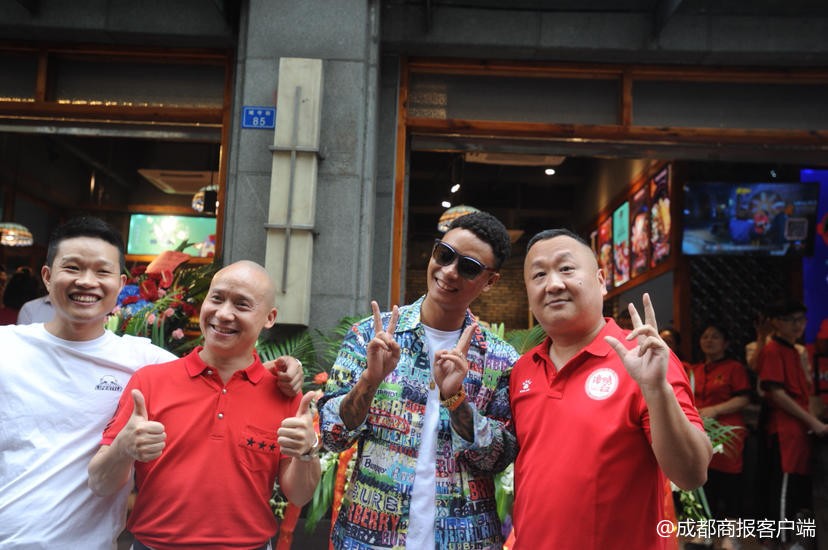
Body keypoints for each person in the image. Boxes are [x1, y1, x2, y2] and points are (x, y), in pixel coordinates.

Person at [0, 218, 303, 550]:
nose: (86, 281)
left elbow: (217, 370)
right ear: (47, 276)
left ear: (120, 283)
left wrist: (274, 371)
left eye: (101, 271)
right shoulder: (6, 347)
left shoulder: (141, 359)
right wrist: (124, 446)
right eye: (73, 267)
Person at [318, 211, 519, 549]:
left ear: (490, 281)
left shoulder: (500, 360)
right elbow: (332, 435)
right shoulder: (371, 336)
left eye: (469, 267)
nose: (449, 271)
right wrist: (370, 381)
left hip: (465, 540)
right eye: (444, 254)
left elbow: (497, 459)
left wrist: (455, 399)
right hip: (369, 538)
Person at [88, 260, 320, 549]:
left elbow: (299, 495)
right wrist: (123, 448)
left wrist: (307, 452)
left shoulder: (284, 393)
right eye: (217, 298)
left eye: (242, 304)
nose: (223, 314)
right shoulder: (150, 382)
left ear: (269, 317)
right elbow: (100, 483)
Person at [510, 228, 711, 550]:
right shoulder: (523, 369)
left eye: (566, 268)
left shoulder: (643, 357)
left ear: (601, 280)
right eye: (538, 275)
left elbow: (692, 474)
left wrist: (656, 390)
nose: (553, 284)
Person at [756, 299, 827, 543]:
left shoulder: (795, 351)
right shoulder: (773, 350)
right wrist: (814, 423)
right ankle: (782, 542)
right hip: (785, 432)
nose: (798, 325)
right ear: (776, 323)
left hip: (800, 431)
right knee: (783, 491)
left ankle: (798, 542)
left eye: (801, 320)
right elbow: (777, 394)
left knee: (798, 490)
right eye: (790, 320)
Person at [688, 323, 751, 520]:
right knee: (703, 485)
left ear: (726, 343)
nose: (709, 340)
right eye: (705, 336)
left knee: (730, 486)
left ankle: (731, 531)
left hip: (727, 435)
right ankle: (704, 529)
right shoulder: (694, 369)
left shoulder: (734, 368)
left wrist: (715, 410)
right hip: (699, 435)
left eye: (715, 337)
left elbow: (744, 398)